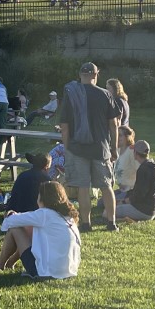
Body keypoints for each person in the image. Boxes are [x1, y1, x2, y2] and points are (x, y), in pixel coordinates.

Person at [56, 62, 121, 231]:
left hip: (78, 148)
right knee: (106, 186)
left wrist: (67, 146)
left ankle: (86, 223)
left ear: (80, 75)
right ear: (95, 75)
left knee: (83, 187)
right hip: (101, 148)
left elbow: (64, 125)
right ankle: (111, 222)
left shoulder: (71, 93)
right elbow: (113, 124)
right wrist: (114, 148)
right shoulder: (105, 94)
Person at [0, 180, 81, 279]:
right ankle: (10, 263)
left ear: (42, 198)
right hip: (69, 272)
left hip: (46, 272)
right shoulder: (68, 217)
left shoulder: (45, 214)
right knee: (30, 229)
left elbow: (10, 221)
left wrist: (10, 213)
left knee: (15, 229)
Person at [116, 141, 155, 223]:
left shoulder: (144, 169)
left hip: (143, 210)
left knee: (107, 212)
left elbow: (138, 196)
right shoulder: (153, 166)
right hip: (151, 208)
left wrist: (123, 202)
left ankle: (128, 220)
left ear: (135, 153)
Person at [112, 126, 138, 201]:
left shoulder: (131, 151)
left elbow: (140, 169)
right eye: (116, 135)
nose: (117, 138)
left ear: (127, 137)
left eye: (120, 135)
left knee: (109, 203)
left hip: (130, 191)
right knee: (101, 202)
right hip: (122, 190)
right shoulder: (118, 151)